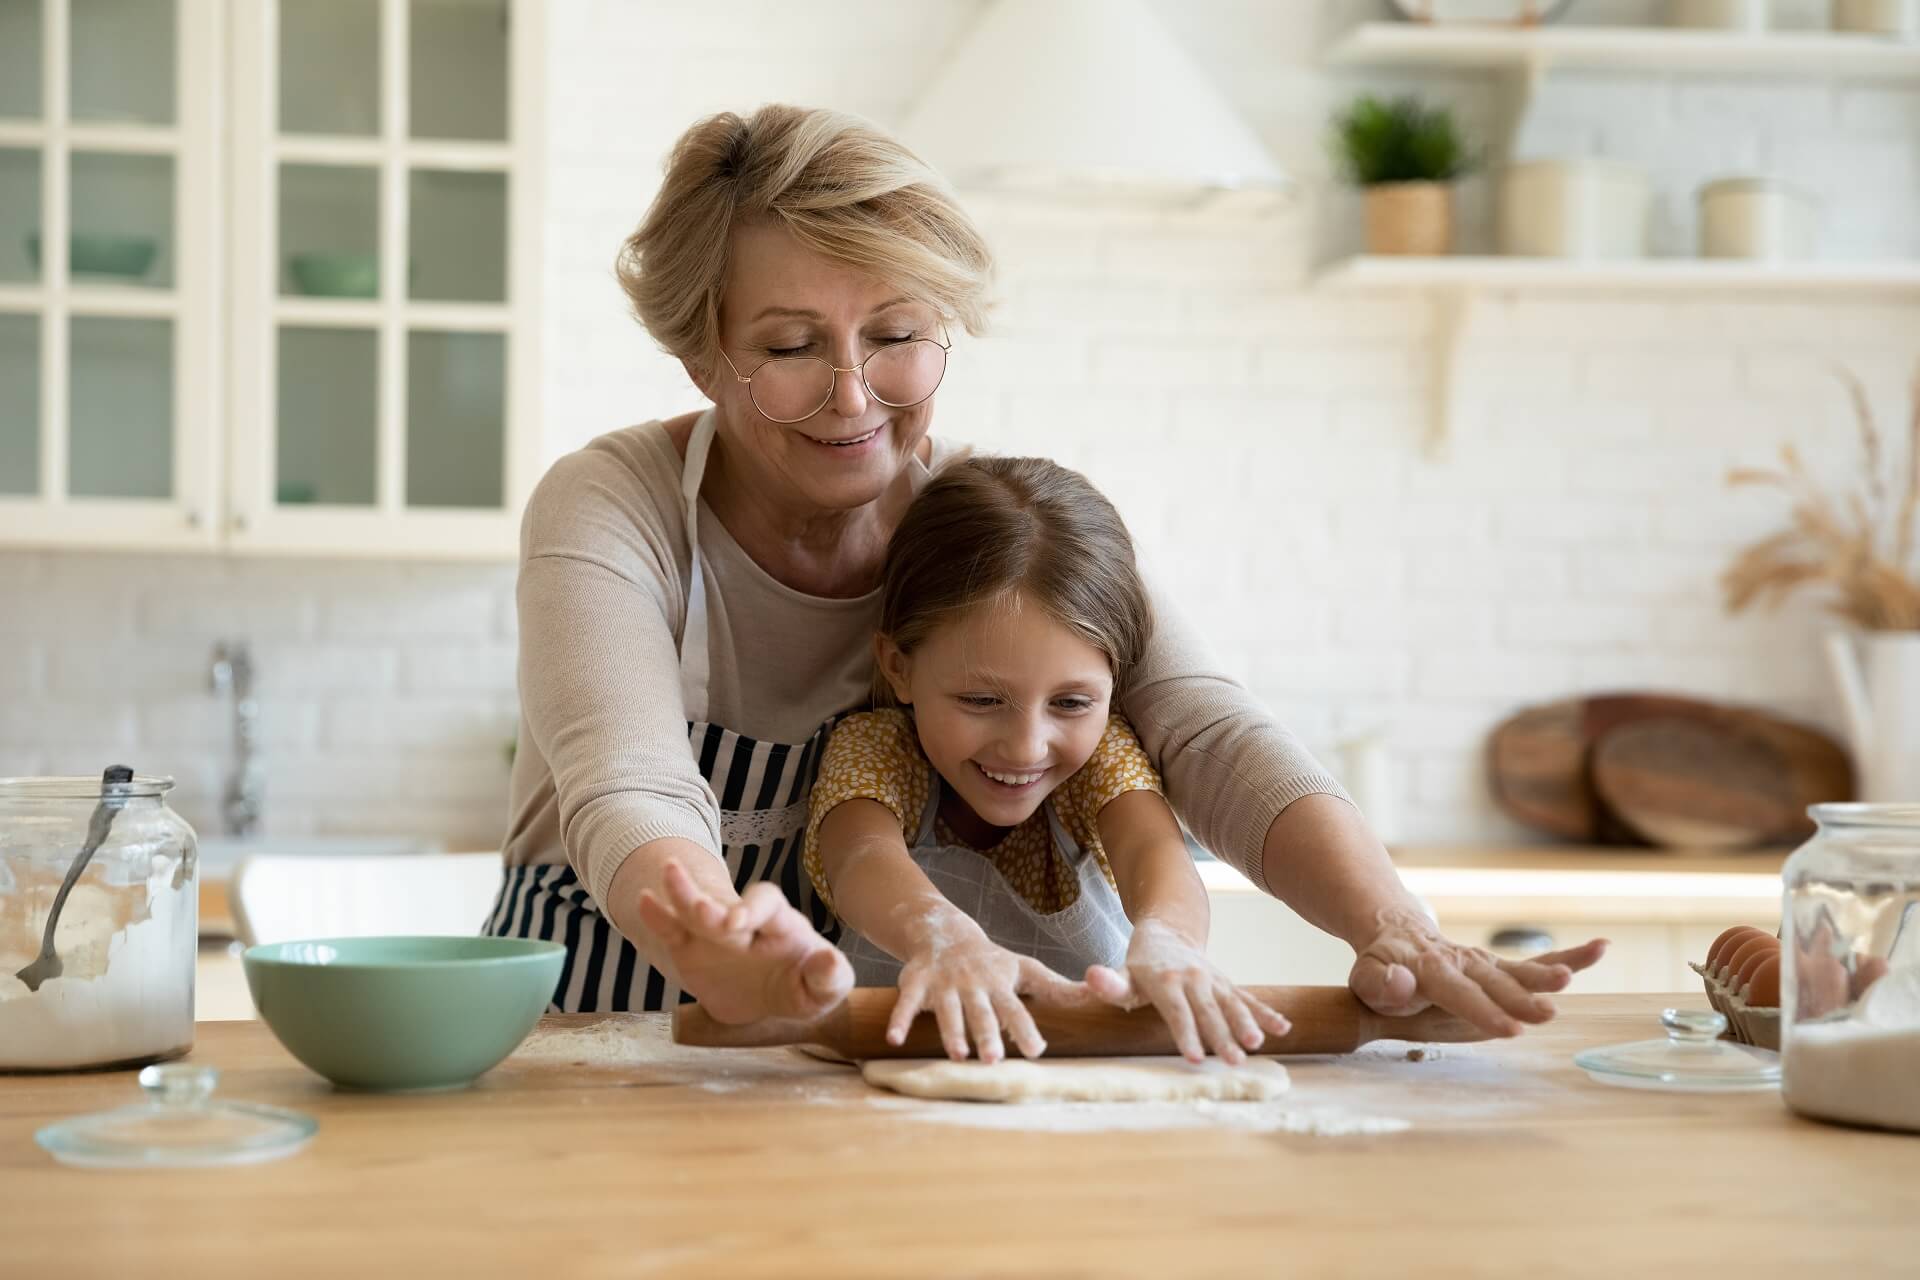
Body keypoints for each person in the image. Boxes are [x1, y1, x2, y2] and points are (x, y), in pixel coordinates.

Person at [486, 103, 1605, 1036]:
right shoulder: (613, 501)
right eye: (789, 347)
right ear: (701, 353)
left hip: (813, 1043)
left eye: (897, 334)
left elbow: (1201, 726)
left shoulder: (983, 524)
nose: (854, 394)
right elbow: (627, 781)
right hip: (589, 1031)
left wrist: (1396, 925)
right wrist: (719, 942)